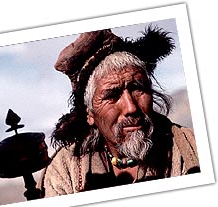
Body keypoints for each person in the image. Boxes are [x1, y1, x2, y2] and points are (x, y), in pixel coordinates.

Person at [38, 25, 200, 197]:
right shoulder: (63, 171)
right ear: (89, 114)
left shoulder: (194, 148)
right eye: (112, 95)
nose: (131, 108)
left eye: (138, 88)